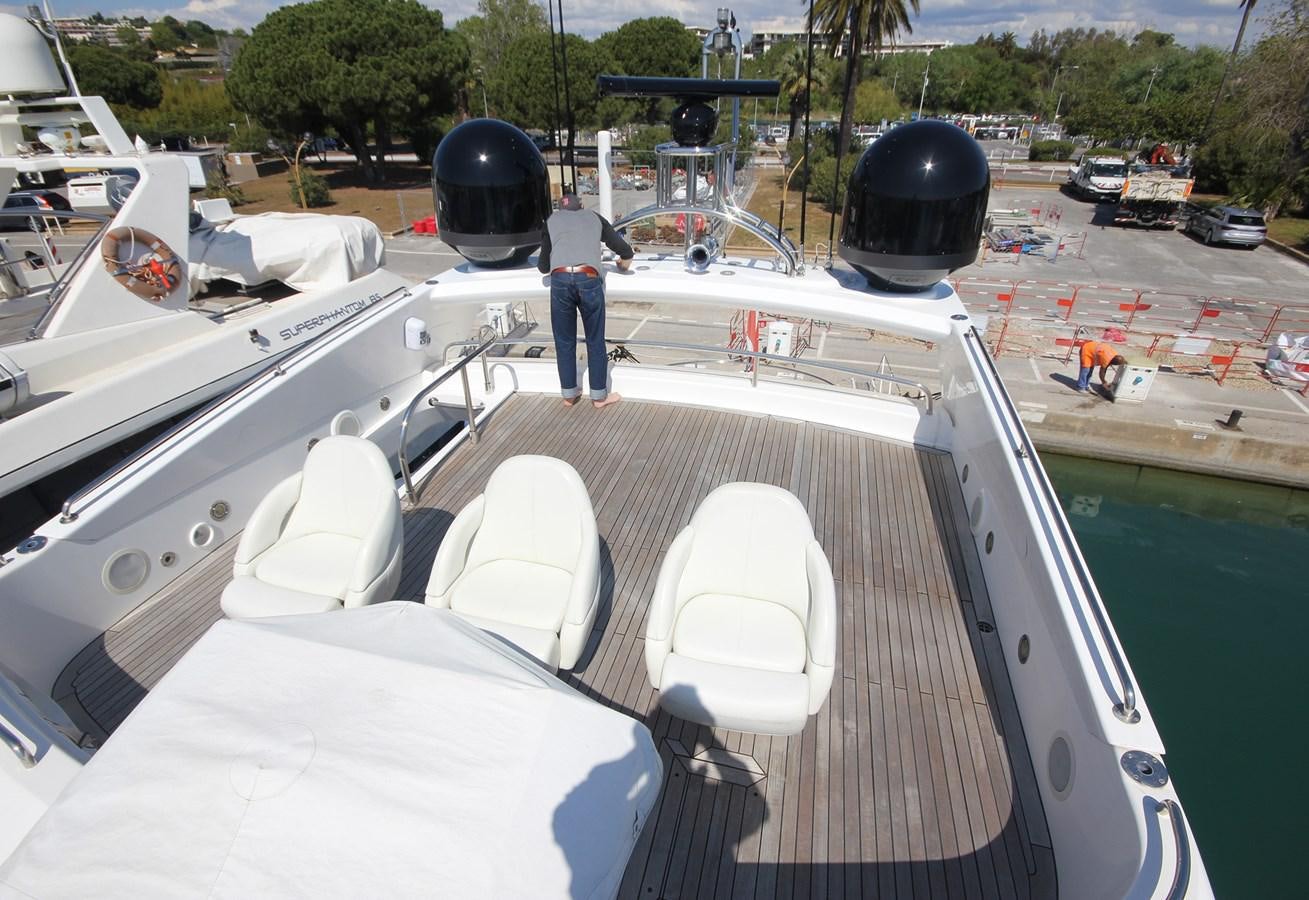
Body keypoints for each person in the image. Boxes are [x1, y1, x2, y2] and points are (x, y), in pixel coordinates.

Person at [537, 192, 634, 408]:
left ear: (560, 209)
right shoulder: (594, 217)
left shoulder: (551, 222)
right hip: (589, 278)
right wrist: (623, 264)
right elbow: (625, 250)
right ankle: (599, 397)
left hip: (560, 280)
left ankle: (569, 394)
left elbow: (543, 267)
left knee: (564, 341)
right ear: (581, 205)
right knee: (595, 339)